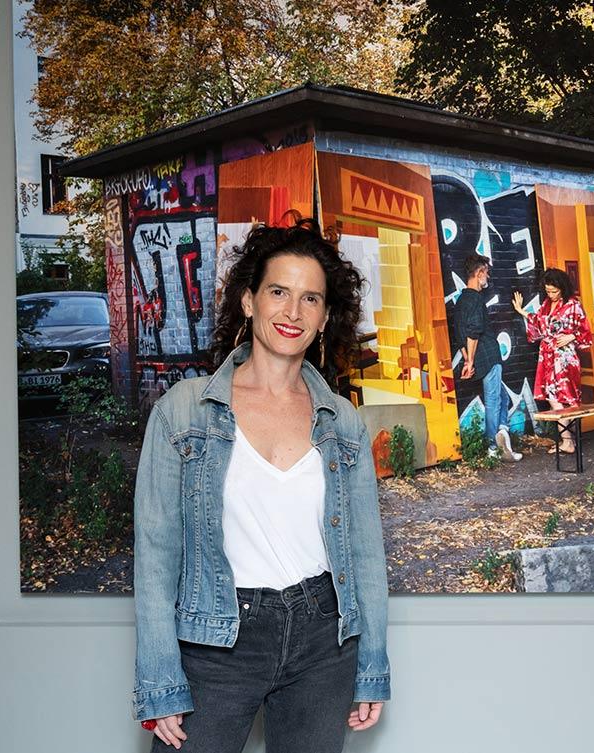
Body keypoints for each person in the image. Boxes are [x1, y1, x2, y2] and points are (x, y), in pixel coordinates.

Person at [132, 218, 390, 752]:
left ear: (324, 318)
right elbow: (156, 552)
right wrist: (160, 680)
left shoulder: (342, 421)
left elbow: (365, 553)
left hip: (324, 641)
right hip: (217, 639)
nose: (292, 312)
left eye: (310, 299)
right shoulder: (185, 410)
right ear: (249, 301)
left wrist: (372, 666)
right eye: (278, 291)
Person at [512, 267, 592, 453]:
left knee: (567, 399)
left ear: (562, 288)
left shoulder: (573, 305)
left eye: (554, 291)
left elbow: (586, 330)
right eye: (548, 291)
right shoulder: (547, 305)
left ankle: (568, 441)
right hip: (548, 357)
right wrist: (521, 311)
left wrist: (572, 336)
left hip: (565, 358)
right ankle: (568, 440)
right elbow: (539, 323)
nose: (551, 294)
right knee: (553, 397)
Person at [453, 254, 521, 461]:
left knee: (501, 397)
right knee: (493, 400)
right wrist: (470, 361)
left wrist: (466, 358)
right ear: (479, 272)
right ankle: (493, 446)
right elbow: (473, 332)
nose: (488, 277)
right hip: (488, 356)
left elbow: (459, 335)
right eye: (486, 273)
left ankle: (502, 434)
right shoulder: (475, 299)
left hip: (479, 356)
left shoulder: (461, 300)